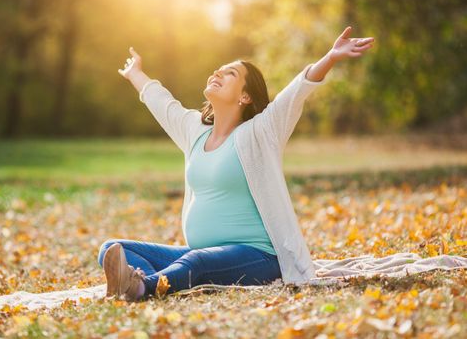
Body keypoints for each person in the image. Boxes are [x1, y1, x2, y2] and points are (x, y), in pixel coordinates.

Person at [98, 26, 374, 301]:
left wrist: (331, 57)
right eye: (218, 70)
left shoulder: (260, 132)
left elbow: (295, 93)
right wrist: (135, 72)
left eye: (229, 73)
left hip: (259, 256)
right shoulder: (194, 130)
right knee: (113, 247)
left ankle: (142, 288)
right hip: (204, 255)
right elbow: (162, 102)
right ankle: (141, 282)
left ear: (245, 96)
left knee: (195, 262)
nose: (217, 73)